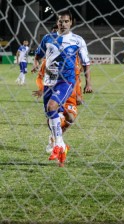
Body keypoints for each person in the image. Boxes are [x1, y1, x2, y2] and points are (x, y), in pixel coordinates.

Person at [31, 10, 92, 167]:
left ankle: (58, 143)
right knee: (52, 115)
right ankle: (61, 145)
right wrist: (35, 62)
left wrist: (88, 83)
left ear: (71, 22)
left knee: (53, 107)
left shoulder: (77, 40)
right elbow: (38, 54)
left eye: (66, 21)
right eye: (60, 21)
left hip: (66, 81)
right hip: (49, 81)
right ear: (57, 22)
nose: (63, 24)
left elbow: (86, 63)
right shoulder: (48, 38)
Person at [32, 55, 83, 153]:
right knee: (53, 117)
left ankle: (55, 138)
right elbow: (40, 77)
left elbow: (77, 78)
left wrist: (79, 94)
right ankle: (56, 140)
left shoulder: (75, 58)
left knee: (71, 118)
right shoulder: (48, 60)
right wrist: (42, 88)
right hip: (54, 93)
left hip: (70, 95)